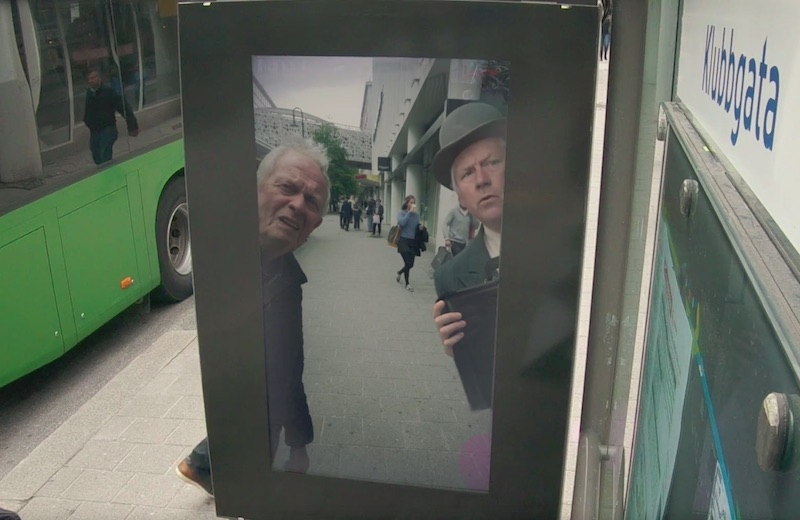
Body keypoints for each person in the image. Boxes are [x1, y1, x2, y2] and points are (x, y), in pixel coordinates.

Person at [176, 136, 330, 496]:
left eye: (311, 201)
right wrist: (298, 444)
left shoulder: (285, 279)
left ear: (314, 226)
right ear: (254, 191)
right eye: (287, 188)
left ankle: (208, 469)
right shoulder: (225, 256)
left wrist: (298, 442)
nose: (297, 205)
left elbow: (289, 368)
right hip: (255, 433)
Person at [430, 102, 506, 357]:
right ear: (461, 197)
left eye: (492, 162)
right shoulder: (449, 278)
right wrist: (462, 354)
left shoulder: (577, 244)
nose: (482, 180)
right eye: (467, 174)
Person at [83, 69, 139, 165]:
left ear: (99, 78)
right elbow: (88, 110)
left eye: (93, 78)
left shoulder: (108, 91)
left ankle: (109, 170)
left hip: (108, 128)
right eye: (89, 79)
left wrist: (132, 126)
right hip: (95, 130)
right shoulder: (90, 93)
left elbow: (123, 107)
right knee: (96, 154)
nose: (90, 81)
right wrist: (87, 121)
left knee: (105, 154)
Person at [395, 194, 421, 292]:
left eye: (414, 203)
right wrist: (409, 213)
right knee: (408, 262)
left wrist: (420, 227)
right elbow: (402, 223)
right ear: (406, 203)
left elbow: (416, 226)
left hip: (413, 241)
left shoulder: (416, 215)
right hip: (403, 240)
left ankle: (399, 272)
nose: (413, 204)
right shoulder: (402, 213)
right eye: (411, 202)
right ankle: (407, 284)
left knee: (411, 264)